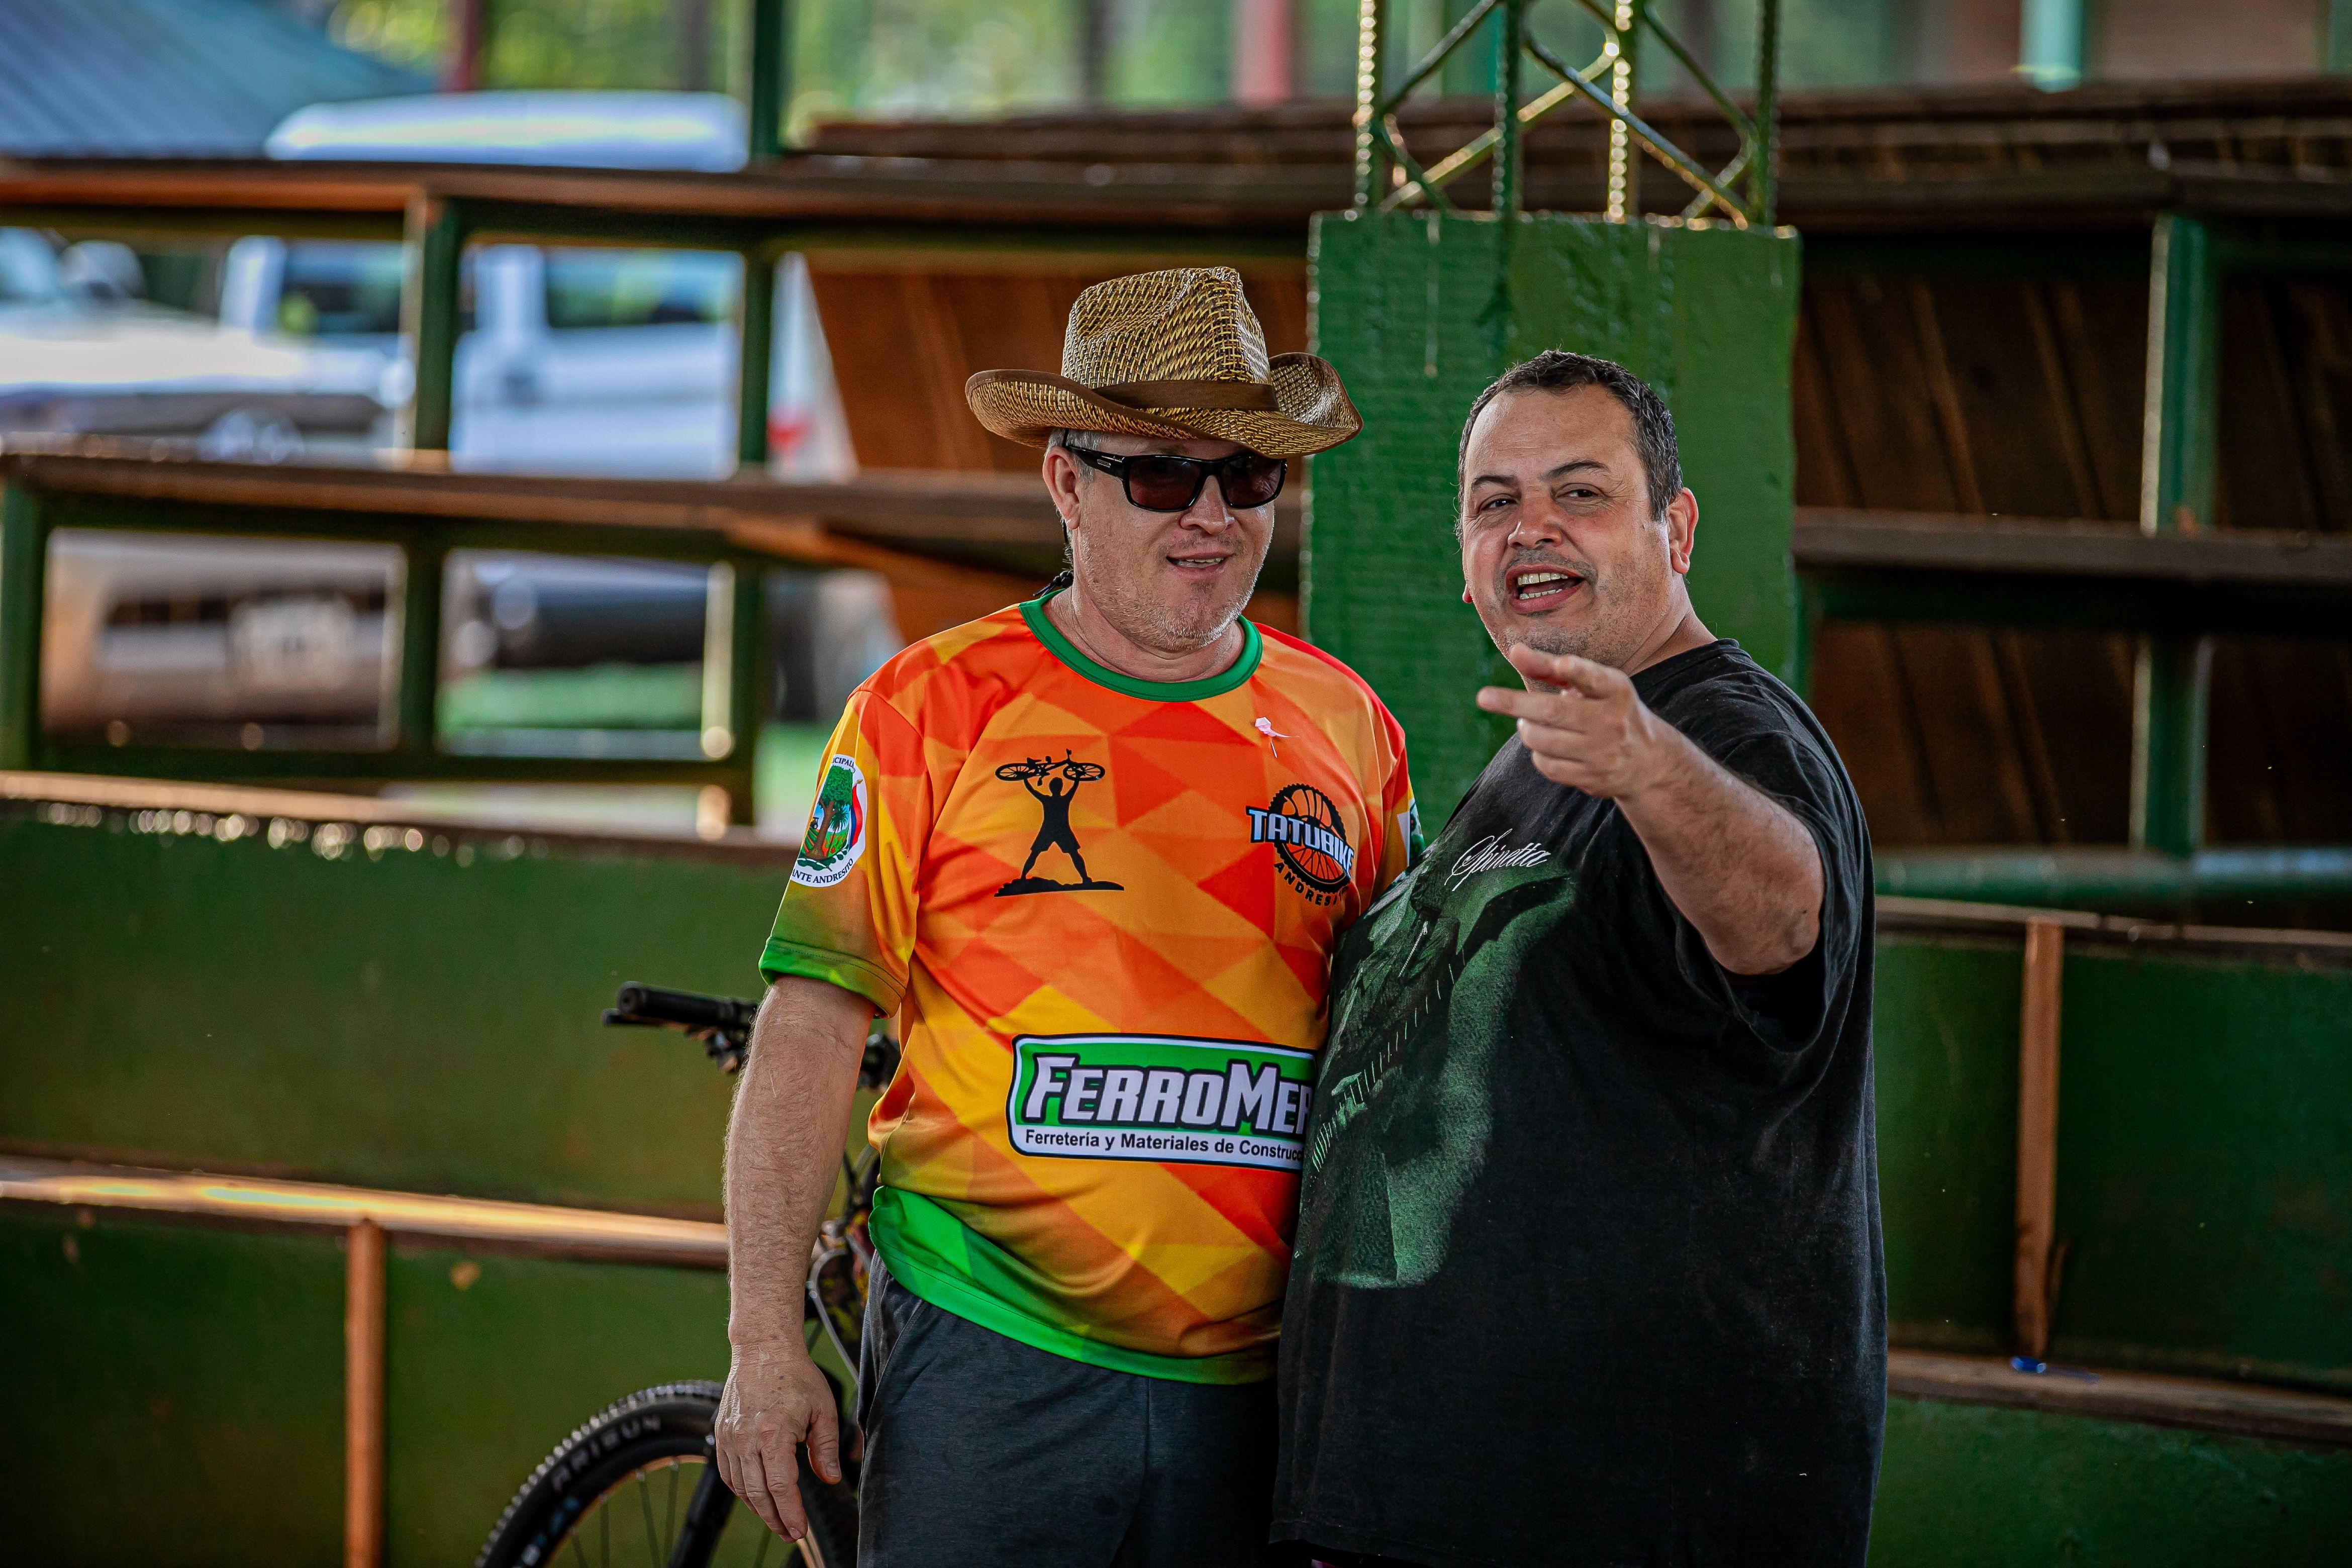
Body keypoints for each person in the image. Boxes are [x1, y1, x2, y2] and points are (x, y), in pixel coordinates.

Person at [718, 266, 1422, 1567]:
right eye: (1160, 476)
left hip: (1261, 1388)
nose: (1211, 515)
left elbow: (1402, 1063)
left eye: (1248, 475)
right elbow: (812, 1022)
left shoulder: (1353, 730)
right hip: (987, 1356)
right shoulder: (929, 708)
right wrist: (763, 1340)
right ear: (1066, 483)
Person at [1273, 351, 1883, 1567]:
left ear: (1677, 528)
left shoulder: (1727, 734)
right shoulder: (1538, 755)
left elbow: (1785, 928)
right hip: (1424, 1504)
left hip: (1615, 1514)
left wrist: (1650, 766)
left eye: (1581, 493)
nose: (1531, 528)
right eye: (1494, 502)